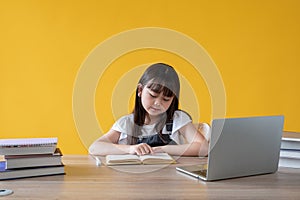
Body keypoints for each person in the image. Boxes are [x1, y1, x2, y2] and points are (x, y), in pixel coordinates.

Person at [89, 63, 209, 156]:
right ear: (140, 90)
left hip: (170, 182)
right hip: (132, 181)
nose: (158, 103)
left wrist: (163, 149)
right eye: (152, 95)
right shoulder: (127, 123)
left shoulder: (177, 119)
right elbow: (95, 147)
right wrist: (131, 149)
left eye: (166, 99)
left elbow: (204, 148)